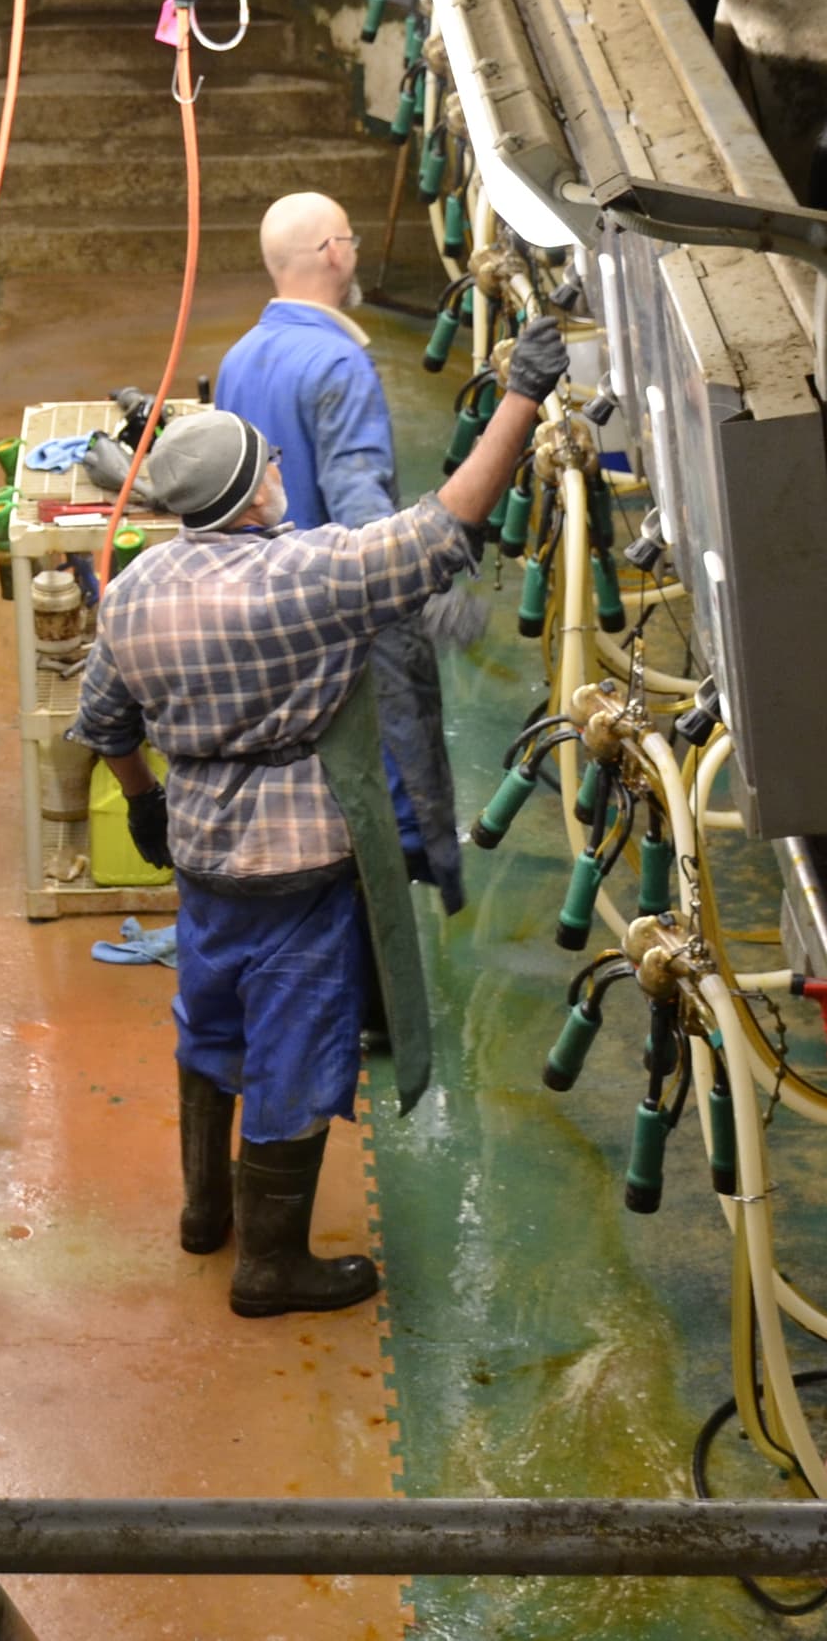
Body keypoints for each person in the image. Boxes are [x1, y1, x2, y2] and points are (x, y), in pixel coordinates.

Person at [70, 315, 568, 1316]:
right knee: (296, 1046)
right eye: (267, 463)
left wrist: (146, 800)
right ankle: (271, 1264)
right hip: (300, 863)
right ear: (253, 492)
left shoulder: (135, 589)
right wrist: (521, 395)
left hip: (203, 854)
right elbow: (445, 526)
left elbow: (104, 722)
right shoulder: (312, 576)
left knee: (210, 1020)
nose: (278, 470)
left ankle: (204, 1210)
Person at [209, 191, 470, 913]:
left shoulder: (239, 359)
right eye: (349, 239)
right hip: (346, 628)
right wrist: (427, 591)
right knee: (386, 797)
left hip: (266, 624)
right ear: (333, 253)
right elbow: (360, 510)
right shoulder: (338, 365)